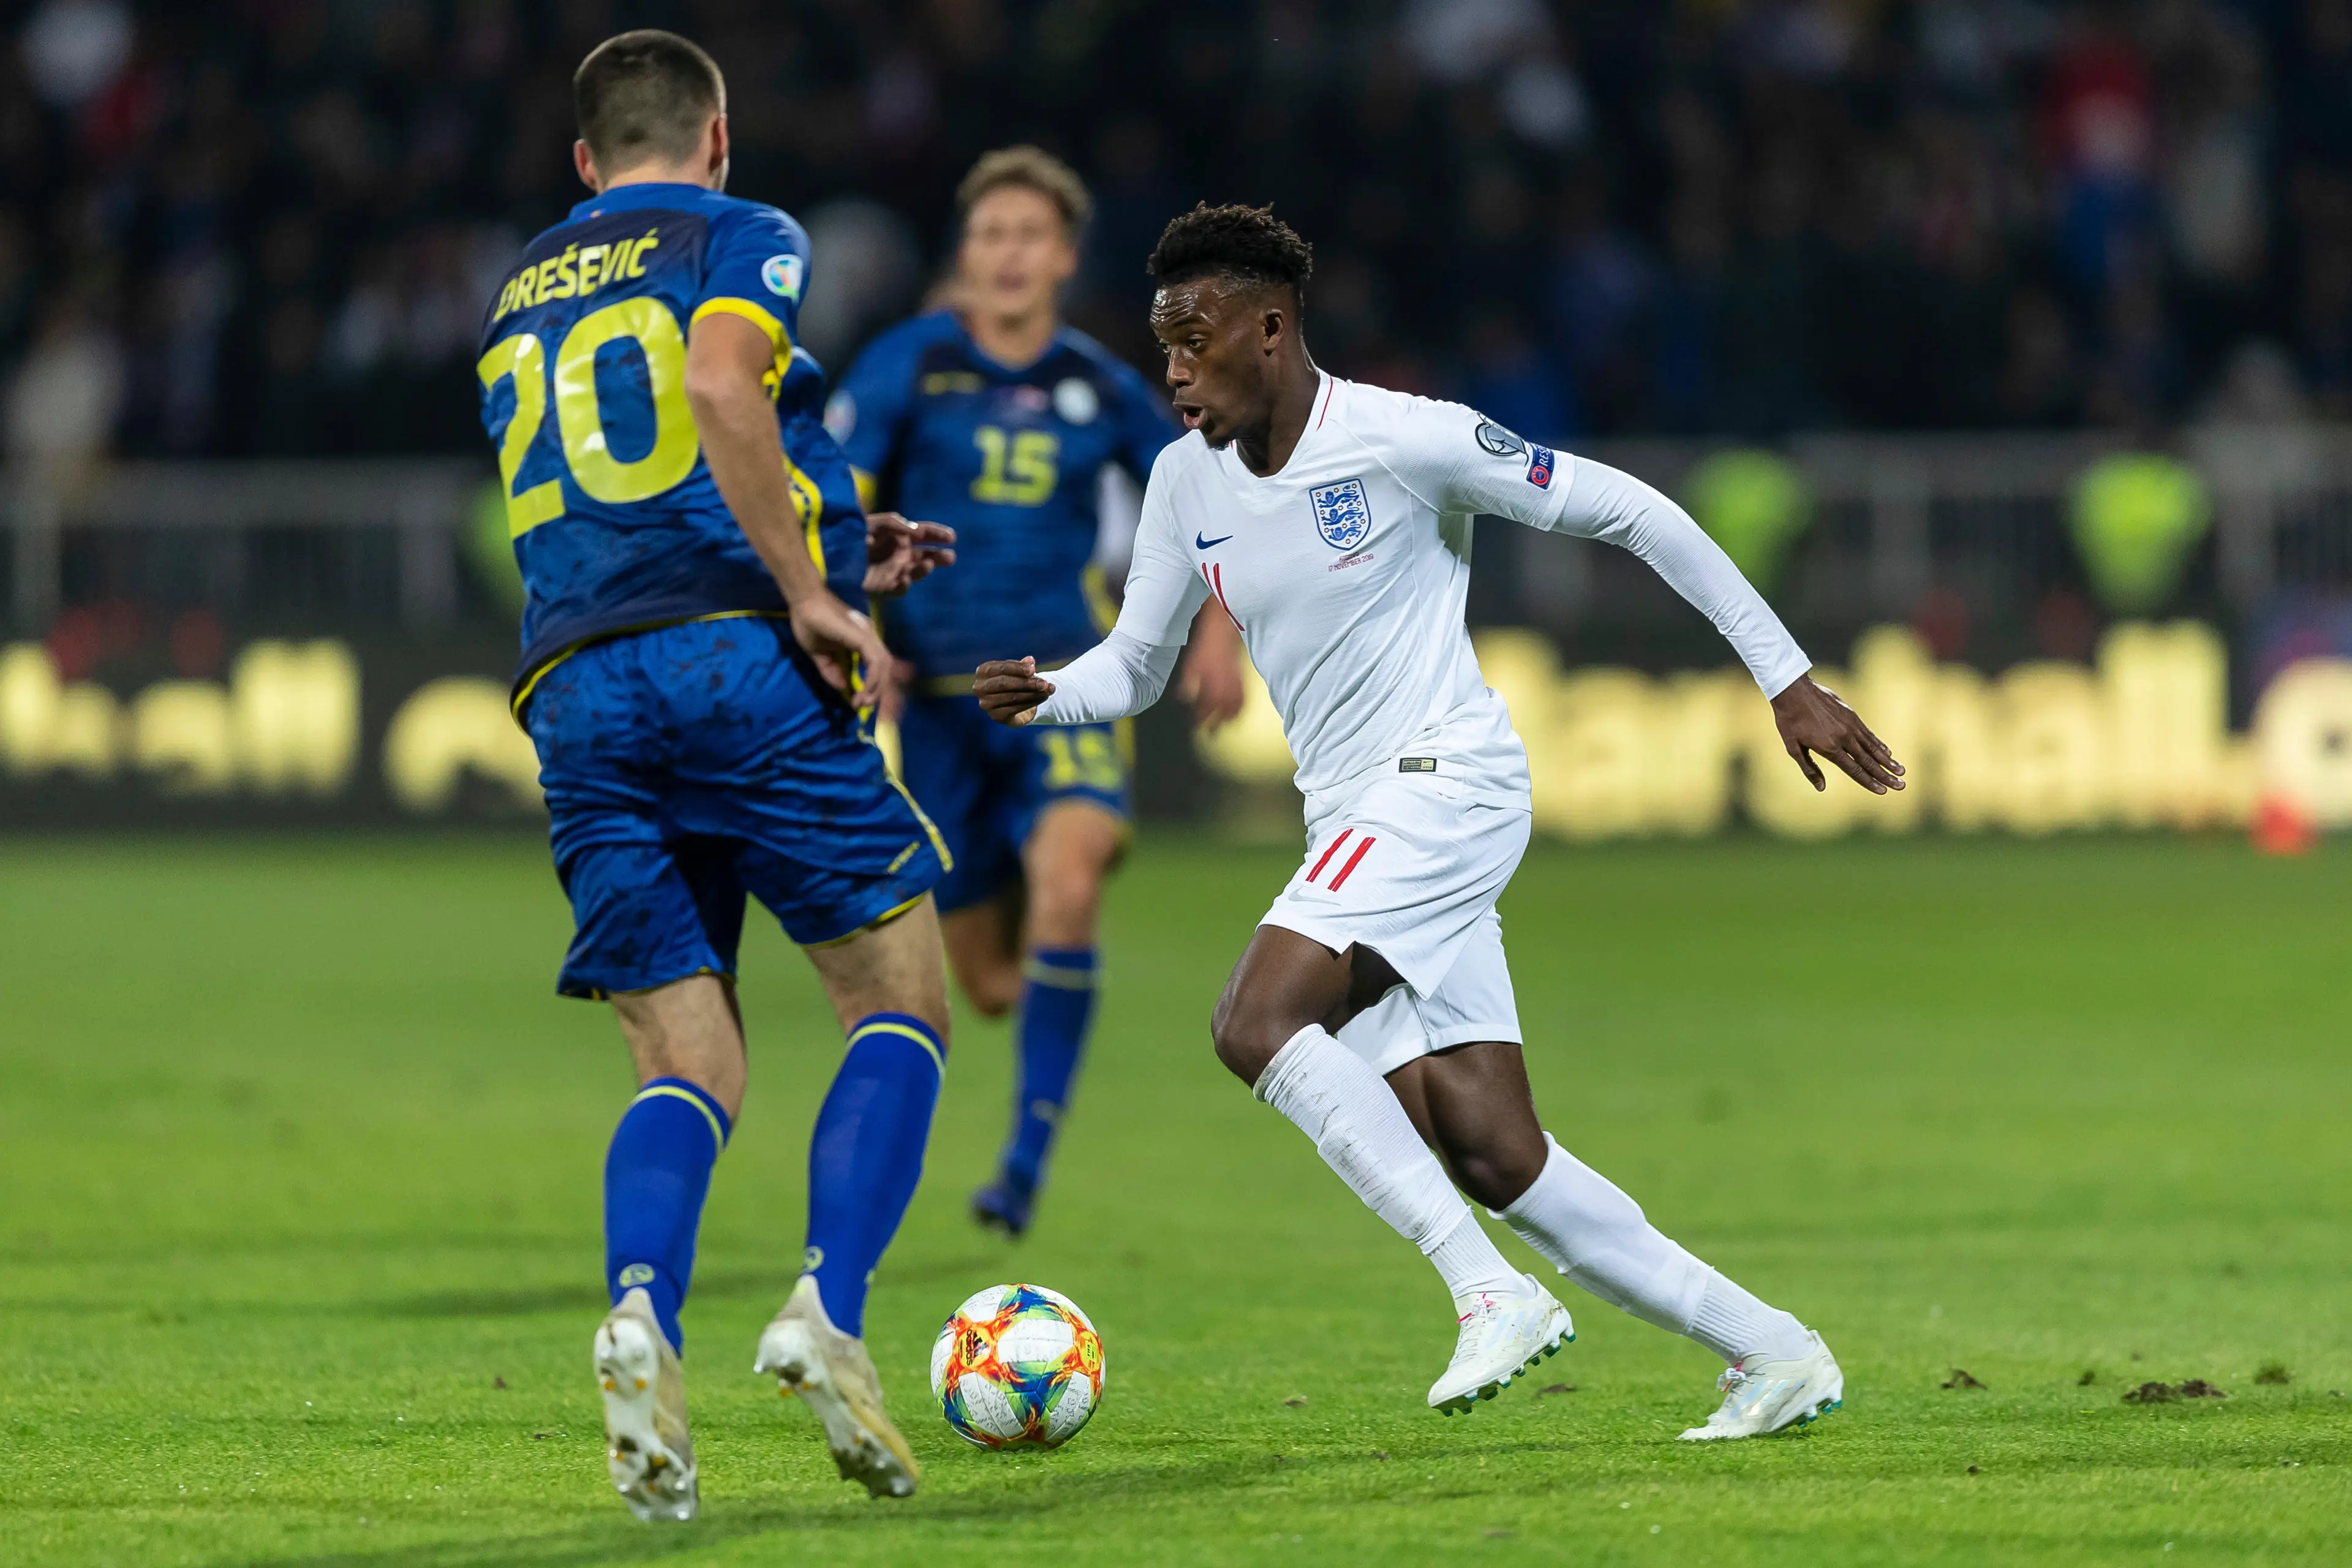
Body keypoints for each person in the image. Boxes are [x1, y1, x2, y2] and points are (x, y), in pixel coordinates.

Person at [973, 204, 1905, 1437]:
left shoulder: (1404, 440)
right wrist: (1050, 695)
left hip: (1444, 781)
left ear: (1272, 325)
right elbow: (1137, 666)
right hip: (1355, 817)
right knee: (1492, 1143)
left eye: (1195, 341)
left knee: (1257, 1019)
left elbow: (1634, 510)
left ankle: (1487, 1293)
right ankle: (1776, 1350)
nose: (1176, 371)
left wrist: (1786, 677)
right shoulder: (1181, 479)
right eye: (1162, 347)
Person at [476, 30, 960, 1518]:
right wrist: (809, 592)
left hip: (574, 687)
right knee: (897, 996)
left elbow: (633, 484)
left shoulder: (515, 294)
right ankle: (826, 1308)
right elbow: (718, 391)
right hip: (730, 663)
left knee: (689, 1060)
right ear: (719, 137)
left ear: (581, 162)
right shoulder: (738, 233)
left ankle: (640, 1310)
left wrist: (820, 536)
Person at [828, 148, 1243, 1238]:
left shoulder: (1099, 381)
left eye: (1029, 236)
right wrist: (854, 621)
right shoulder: (907, 365)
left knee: (1069, 878)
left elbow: (1210, 495)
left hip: (1058, 677)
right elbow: (837, 496)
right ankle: (1022, 1057)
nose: (1009, 255)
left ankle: (1020, 1167)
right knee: (994, 988)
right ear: (967, 256)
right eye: (990, 236)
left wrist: (1216, 631)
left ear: (1062, 256)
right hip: (941, 703)